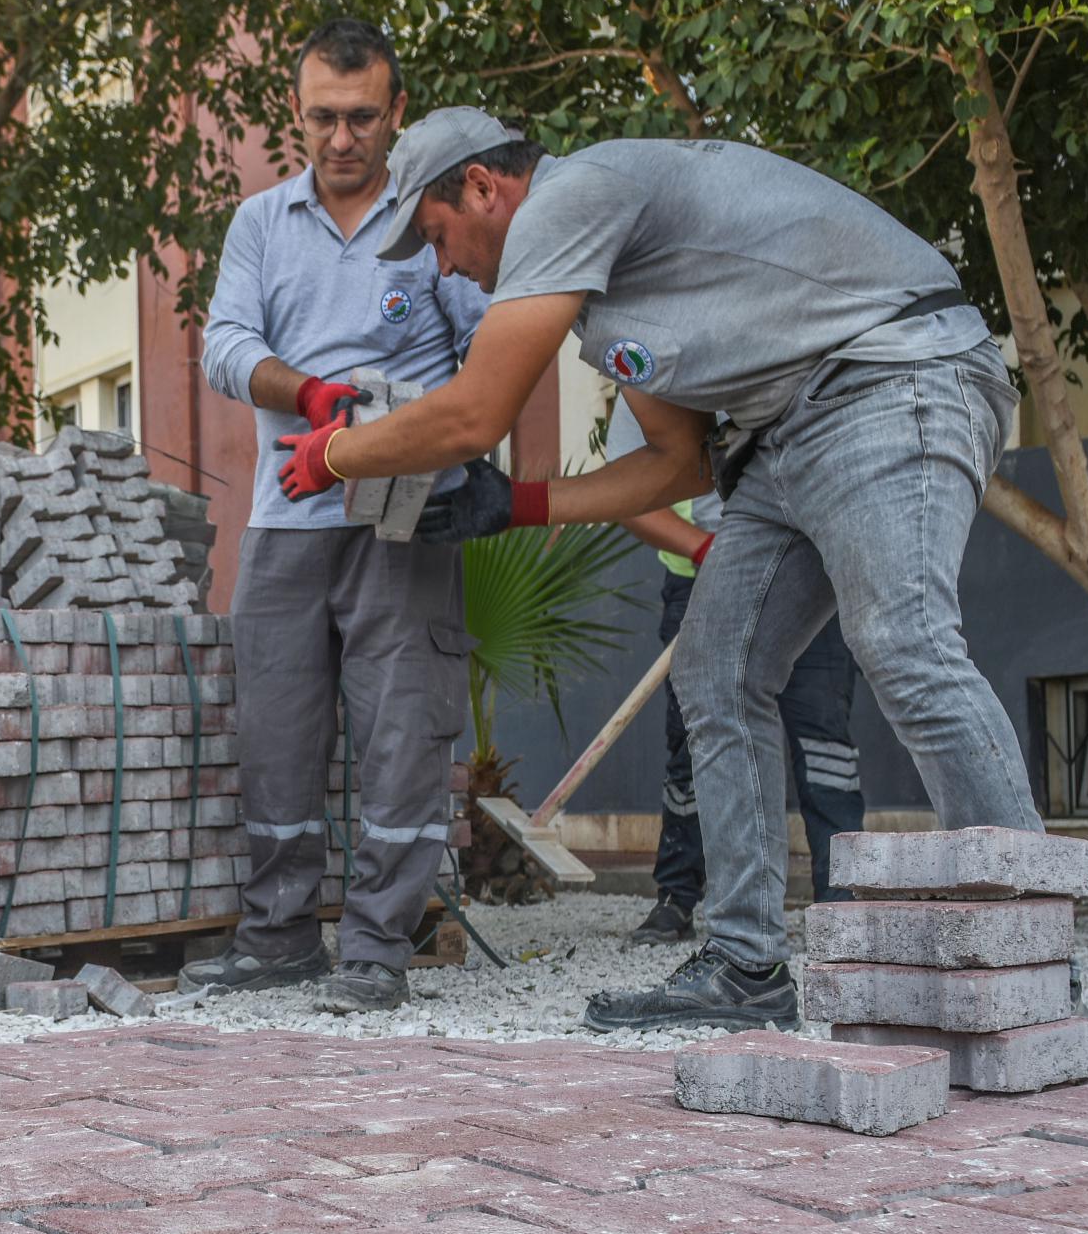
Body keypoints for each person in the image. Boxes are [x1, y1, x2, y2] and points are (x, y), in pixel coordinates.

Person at [274, 107, 1039, 1029]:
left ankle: (1029, 949)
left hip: (892, 376)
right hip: (782, 434)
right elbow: (680, 463)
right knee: (715, 671)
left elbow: (475, 413)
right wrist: (513, 504)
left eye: (437, 238)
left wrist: (335, 456)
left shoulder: (572, 195)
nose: (444, 267)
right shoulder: (611, 301)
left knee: (904, 642)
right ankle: (747, 966)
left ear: (483, 187)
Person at [179, 20, 488, 1015]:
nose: (342, 137)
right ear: (297, 113)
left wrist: (416, 434)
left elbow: (488, 349)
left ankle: (376, 951)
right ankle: (276, 938)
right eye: (322, 117)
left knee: (402, 735)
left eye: (362, 118)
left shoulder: (432, 220)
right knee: (276, 732)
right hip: (286, 512)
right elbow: (223, 343)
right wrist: (311, 398)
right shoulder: (262, 224)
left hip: (407, 519)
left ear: (396, 113)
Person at [605, 402, 866, 947]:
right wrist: (708, 548)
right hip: (703, 574)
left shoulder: (792, 344)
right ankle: (677, 897)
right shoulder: (647, 376)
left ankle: (843, 906)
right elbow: (628, 495)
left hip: (812, 567)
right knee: (698, 745)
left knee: (824, 743)